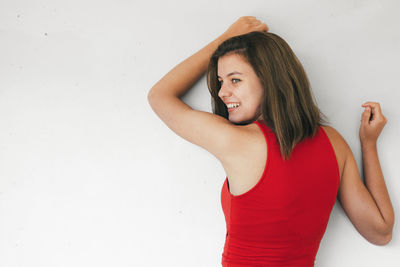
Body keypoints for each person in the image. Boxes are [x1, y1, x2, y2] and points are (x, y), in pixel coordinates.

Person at [147, 16, 394, 266]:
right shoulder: (334, 143)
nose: (222, 92)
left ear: (269, 80)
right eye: (221, 81)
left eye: (235, 79)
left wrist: (225, 38)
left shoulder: (236, 141)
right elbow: (380, 231)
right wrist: (369, 143)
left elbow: (159, 96)